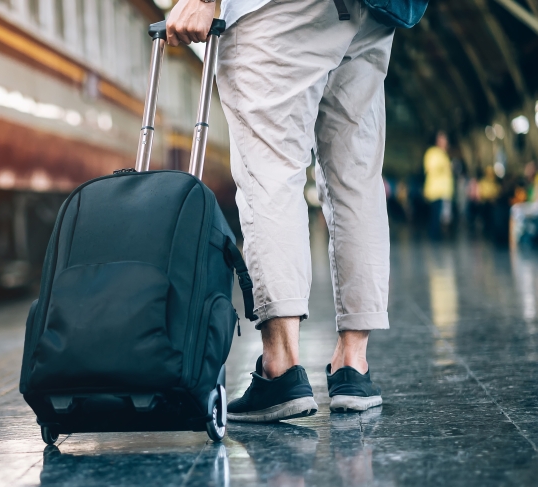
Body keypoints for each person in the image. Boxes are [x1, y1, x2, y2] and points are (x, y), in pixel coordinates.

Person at [166, 0, 392, 420]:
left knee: (271, 172)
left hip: (280, 12)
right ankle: (353, 367)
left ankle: (281, 369)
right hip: (373, 14)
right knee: (356, 179)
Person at [423, 131, 454, 239]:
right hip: (436, 191)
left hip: (444, 192)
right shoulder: (432, 152)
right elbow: (430, 168)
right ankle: (434, 238)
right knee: (435, 217)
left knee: (443, 218)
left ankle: (438, 237)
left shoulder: (444, 154)